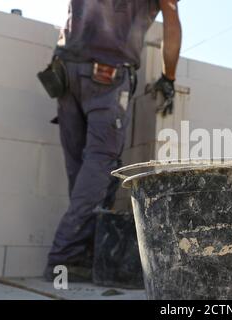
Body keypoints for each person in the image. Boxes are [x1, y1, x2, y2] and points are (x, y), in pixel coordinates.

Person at [44, 0, 182, 282]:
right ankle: (63, 258)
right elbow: (171, 20)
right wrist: (169, 77)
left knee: (82, 173)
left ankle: (82, 254)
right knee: (99, 168)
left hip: (65, 72)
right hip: (105, 75)